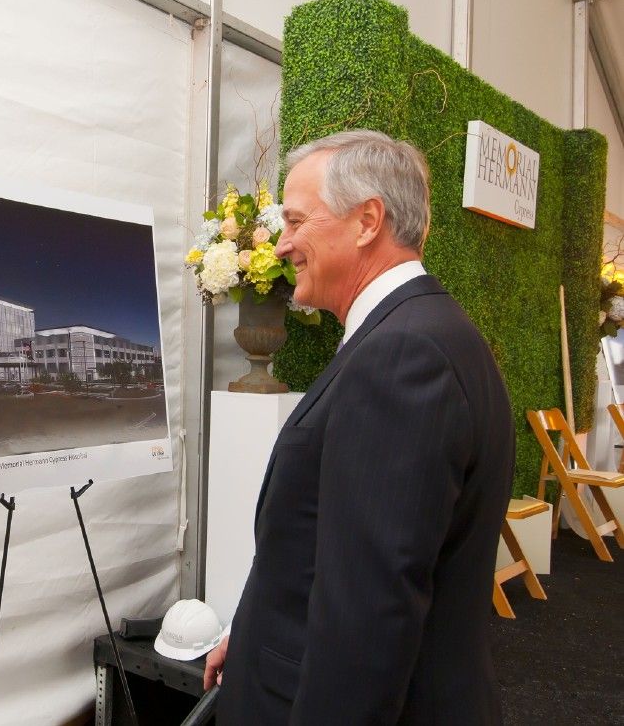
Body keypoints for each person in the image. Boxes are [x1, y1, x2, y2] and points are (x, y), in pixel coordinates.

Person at [203, 130, 514, 725]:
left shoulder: (402, 356)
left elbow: (369, 618)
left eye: (296, 220)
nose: (283, 244)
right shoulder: (419, 332)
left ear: (367, 221)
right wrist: (252, 630)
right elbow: (326, 546)